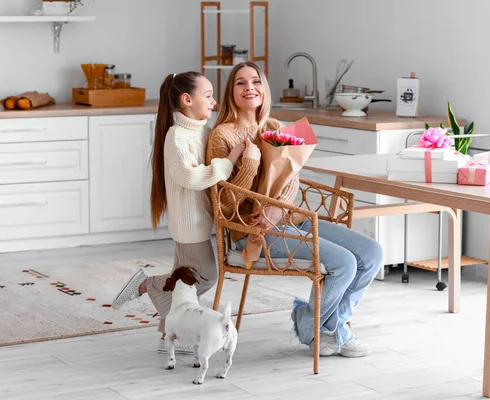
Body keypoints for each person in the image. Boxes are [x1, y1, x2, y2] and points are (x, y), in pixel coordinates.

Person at [205, 61, 384, 358]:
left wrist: (276, 211)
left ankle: (318, 325)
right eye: (240, 83)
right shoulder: (222, 136)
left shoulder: (274, 127)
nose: (249, 87)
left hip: (290, 219)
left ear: (264, 88)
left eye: (255, 81)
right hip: (253, 232)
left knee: (371, 254)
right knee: (345, 264)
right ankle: (331, 332)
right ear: (230, 92)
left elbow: (290, 179)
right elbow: (223, 204)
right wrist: (248, 163)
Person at [111, 71, 248, 354]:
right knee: (204, 276)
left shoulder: (202, 132)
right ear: (187, 100)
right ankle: (146, 285)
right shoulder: (177, 137)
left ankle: (169, 338)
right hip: (189, 222)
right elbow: (190, 177)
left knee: (184, 276)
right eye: (208, 96)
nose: (213, 102)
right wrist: (228, 163)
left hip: (199, 219)